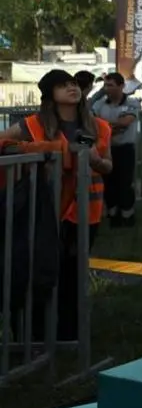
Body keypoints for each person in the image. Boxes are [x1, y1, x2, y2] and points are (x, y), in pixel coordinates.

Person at [0, 69, 113, 342]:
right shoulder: (32, 124)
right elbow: (3, 143)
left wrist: (96, 161)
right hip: (44, 210)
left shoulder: (98, 126)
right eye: (63, 85)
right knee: (38, 270)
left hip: (84, 212)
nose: (72, 88)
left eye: (73, 83)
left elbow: (108, 166)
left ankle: (68, 335)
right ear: (50, 94)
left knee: (73, 273)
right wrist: (38, 149)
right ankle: (34, 335)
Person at [91, 72, 141, 227]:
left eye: (111, 85)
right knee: (108, 183)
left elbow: (125, 122)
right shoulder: (99, 104)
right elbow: (93, 124)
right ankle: (113, 216)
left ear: (121, 86)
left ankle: (127, 215)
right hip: (106, 149)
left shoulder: (132, 103)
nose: (107, 89)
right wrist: (111, 127)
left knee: (124, 183)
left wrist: (105, 128)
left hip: (125, 149)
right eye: (105, 85)